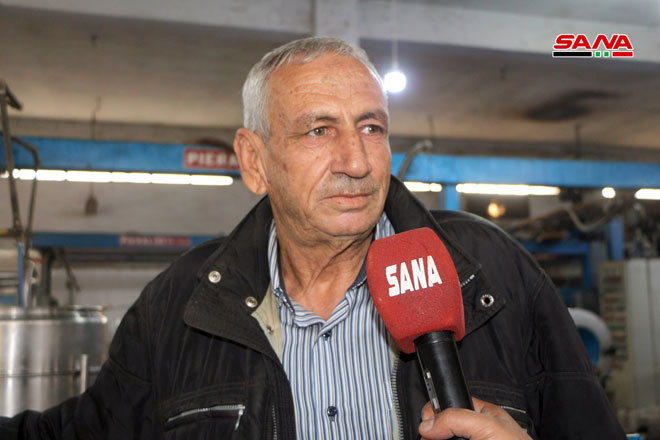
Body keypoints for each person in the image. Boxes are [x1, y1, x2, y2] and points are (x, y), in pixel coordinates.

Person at [1, 37, 625, 439]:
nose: (357, 161)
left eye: (372, 127)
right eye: (318, 131)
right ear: (254, 161)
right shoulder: (178, 305)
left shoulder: (491, 272)